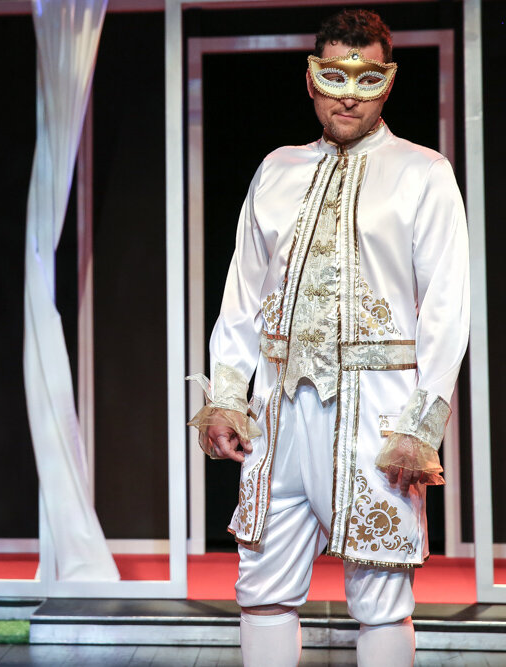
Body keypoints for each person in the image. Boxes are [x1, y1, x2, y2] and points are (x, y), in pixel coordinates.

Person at [187, 9, 469, 667]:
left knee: (381, 594)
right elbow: (243, 295)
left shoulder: (423, 172)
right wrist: (226, 396)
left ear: (387, 82)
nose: (349, 95)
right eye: (335, 76)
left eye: (367, 79)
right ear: (311, 79)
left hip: (378, 413)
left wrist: (422, 426)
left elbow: (446, 309)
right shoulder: (277, 170)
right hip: (279, 412)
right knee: (261, 587)